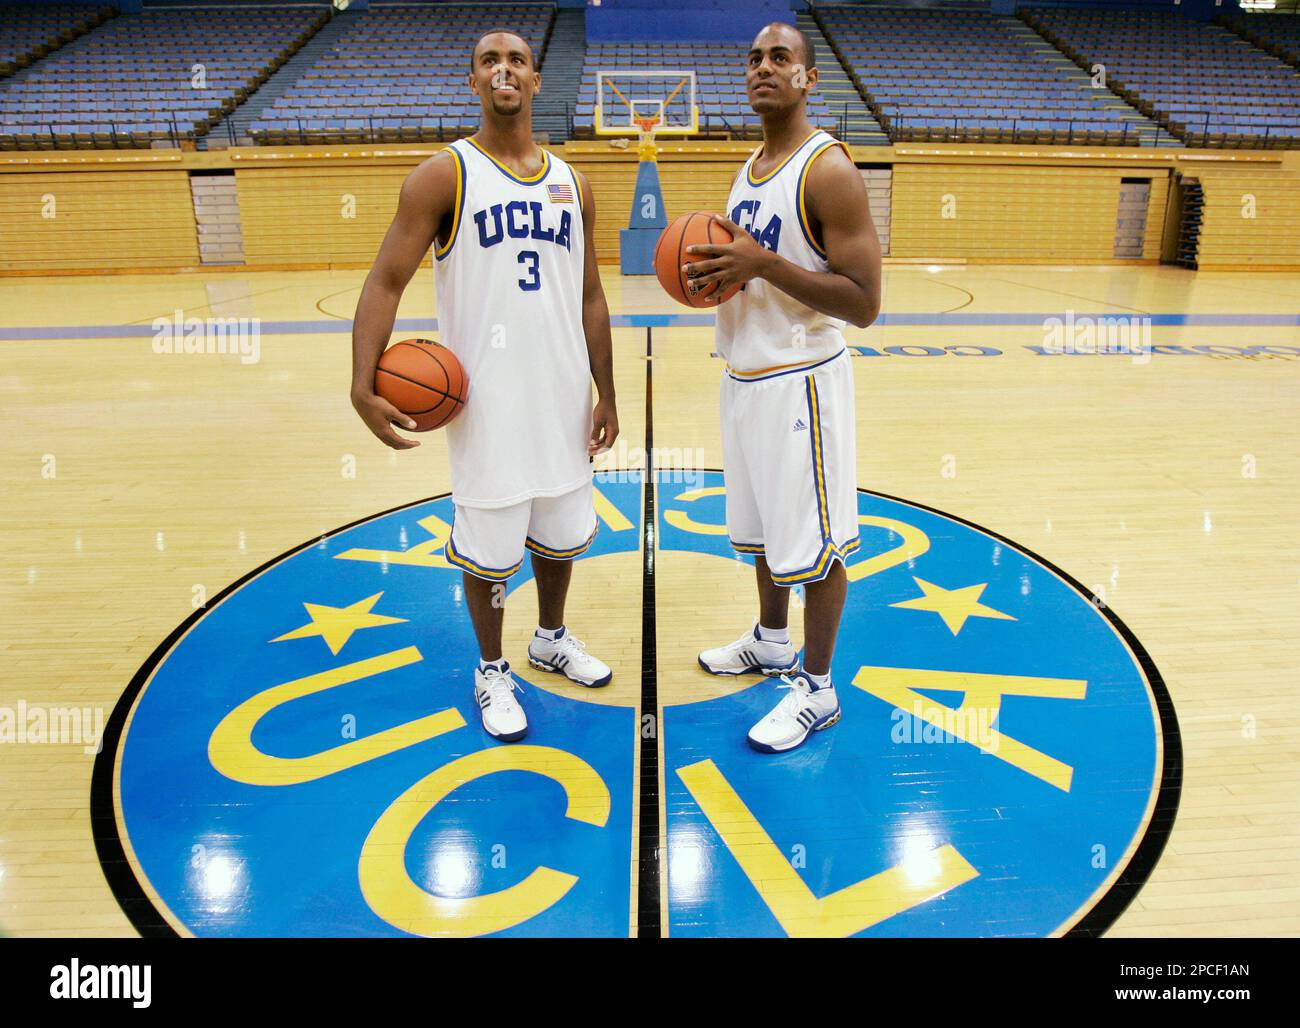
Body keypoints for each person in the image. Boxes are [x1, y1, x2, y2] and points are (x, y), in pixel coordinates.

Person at [350, 29, 619, 742]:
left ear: (535, 80)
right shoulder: (444, 176)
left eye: (517, 61)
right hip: (487, 405)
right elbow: (385, 280)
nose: (504, 70)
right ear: (474, 83)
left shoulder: (575, 183)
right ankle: (492, 667)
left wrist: (608, 392)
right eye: (488, 61)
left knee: (561, 536)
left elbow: (591, 296)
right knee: (493, 547)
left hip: (562, 396)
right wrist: (360, 381)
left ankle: (551, 638)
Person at [685, 22, 882, 753]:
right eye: (755, 58)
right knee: (767, 531)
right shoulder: (752, 166)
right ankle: (773, 642)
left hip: (803, 382)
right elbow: (749, 266)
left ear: (808, 78)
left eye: (781, 59)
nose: (764, 68)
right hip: (746, 374)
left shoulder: (826, 169)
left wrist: (763, 266)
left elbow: (863, 303)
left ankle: (821, 689)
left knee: (815, 546)